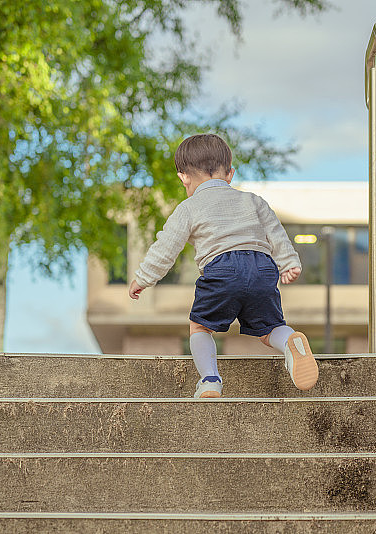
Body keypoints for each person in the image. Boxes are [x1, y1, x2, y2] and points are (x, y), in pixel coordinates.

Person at [128, 133, 318, 398]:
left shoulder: (189, 207)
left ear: (183, 177)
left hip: (222, 268)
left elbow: (165, 248)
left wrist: (143, 278)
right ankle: (289, 342)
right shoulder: (253, 200)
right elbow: (276, 233)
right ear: (229, 173)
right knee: (270, 328)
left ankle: (209, 380)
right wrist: (289, 263)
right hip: (262, 268)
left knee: (200, 327)